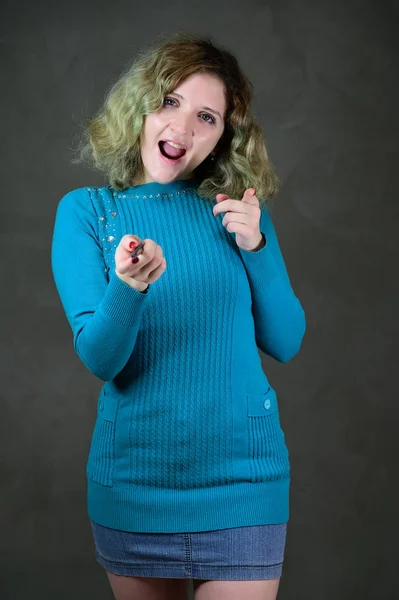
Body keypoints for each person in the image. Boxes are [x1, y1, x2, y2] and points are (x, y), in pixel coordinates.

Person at [51, 31, 306, 600]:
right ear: (139, 106)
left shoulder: (236, 213)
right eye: (170, 102)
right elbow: (101, 358)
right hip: (137, 486)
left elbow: (287, 341)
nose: (182, 129)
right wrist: (128, 290)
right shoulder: (88, 213)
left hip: (244, 486)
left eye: (207, 117)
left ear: (223, 136)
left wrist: (258, 250)